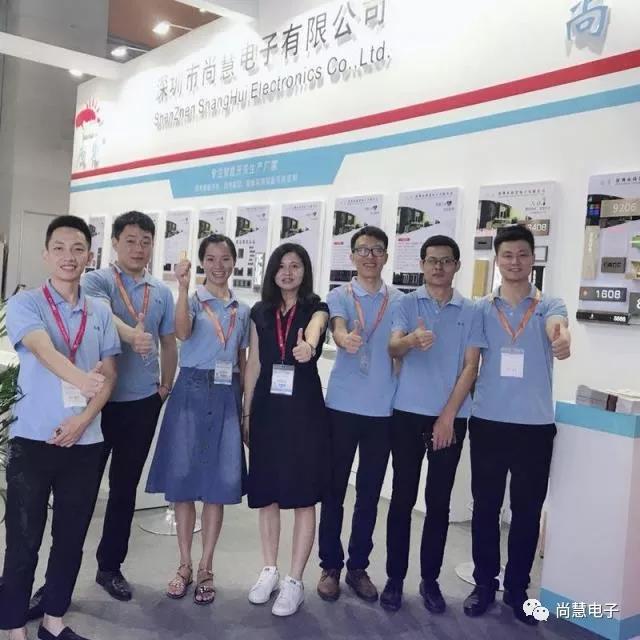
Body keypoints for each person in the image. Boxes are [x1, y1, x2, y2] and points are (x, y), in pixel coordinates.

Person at [0, 215, 120, 640]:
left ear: (89, 255)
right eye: (60, 248)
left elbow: (110, 375)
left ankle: (53, 620)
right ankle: (14, 626)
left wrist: (83, 419)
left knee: (70, 538)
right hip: (32, 440)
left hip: (85, 442)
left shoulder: (100, 311)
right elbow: (42, 348)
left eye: (78, 249)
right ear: (46, 254)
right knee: (23, 540)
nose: (69, 256)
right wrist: (82, 380)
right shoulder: (25, 303)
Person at [463, 225, 571, 625]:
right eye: (507, 255)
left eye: (523, 254)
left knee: (526, 512)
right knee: (485, 508)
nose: (515, 262)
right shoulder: (480, 308)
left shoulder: (548, 304)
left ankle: (517, 589)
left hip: (534, 427)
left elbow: (558, 328)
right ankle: (484, 584)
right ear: (497, 260)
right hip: (488, 422)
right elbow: (470, 364)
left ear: (533, 259)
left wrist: (562, 338)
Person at [381, 235, 484, 613]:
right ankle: (394, 579)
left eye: (446, 261)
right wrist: (410, 340)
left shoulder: (471, 310)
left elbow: (471, 366)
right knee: (402, 499)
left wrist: (447, 417)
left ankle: (430, 580)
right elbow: (393, 347)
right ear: (422, 265)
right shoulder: (406, 303)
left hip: (451, 417)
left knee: (438, 503)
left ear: (457, 265)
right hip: (407, 413)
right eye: (432, 261)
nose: (438, 267)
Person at [77, 211, 176, 602]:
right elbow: (101, 314)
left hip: (141, 404)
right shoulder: (97, 280)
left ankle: (110, 567)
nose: (139, 248)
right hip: (97, 403)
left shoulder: (161, 291)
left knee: (124, 489)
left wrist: (164, 387)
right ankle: (59, 576)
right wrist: (132, 334)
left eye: (146, 241)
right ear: (115, 242)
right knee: (81, 490)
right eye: (131, 240)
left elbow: (168, 341)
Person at [146, 234, 249, 605]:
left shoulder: (242, 309)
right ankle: (184, 564)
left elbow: (242, 360)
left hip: (225, 393)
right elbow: (182, 332)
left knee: (217, 485)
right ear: (203, 262)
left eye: (225, 258)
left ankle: (207, 567)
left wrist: (245, 407)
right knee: (184, 482)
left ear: (234, 262)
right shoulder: (190, 301)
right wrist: (182, 287)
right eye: (211, 258)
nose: (218, 265)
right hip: (189, 390)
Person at [243, 243, 329, 617]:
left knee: (304, 496)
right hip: (266, 410)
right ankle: (270, 570)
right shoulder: (260, 312)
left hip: (304, 413)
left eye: (295, 265)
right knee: (267, 494)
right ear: (272, 272)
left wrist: (308, 346)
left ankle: (294, 580)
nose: (288, 272)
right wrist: (247, 413)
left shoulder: (316, 307)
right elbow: (254, 364)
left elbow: (316, 329)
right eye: (281, 265)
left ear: (304, 271)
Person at [317, 226, 402, 603]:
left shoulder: (399, 300)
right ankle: (330, 566)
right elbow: (337, 327)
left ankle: (357, 567)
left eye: (377, 250)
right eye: (363, 250)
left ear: (386, 256)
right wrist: (342, 338)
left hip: (382, 410)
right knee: (333, 490)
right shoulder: (339, 295)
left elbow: (400, 342)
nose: (370, 256)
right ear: (352, 257)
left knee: (369, 493)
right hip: (341, 408)